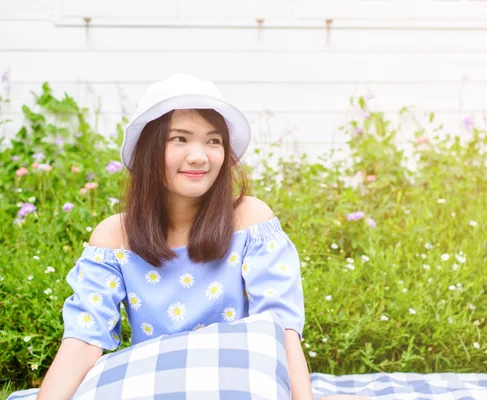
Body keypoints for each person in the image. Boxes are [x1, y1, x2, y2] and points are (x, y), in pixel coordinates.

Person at [37, 73, 365, 400]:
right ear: (149, 149)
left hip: (240, 387)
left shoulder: (250, 220)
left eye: (213, 140)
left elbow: (281, 328)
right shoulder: (114, 238)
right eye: (180, 139)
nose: (199, 156)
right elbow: (84, 339)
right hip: (157, 388)